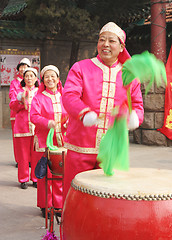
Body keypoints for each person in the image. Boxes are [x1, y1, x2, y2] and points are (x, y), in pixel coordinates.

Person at [62, 22, 144, 203]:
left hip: (112, 149)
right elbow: (69, 95)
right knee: (75, 196)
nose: (105, 44)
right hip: (80, 146)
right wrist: (83, 113)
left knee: (108, 198)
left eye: (111, 41)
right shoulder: (80, 68)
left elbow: (137, 104)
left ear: (122, 46)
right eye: (101, 40)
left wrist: (135, 118)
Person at [30, 65, 68, 218]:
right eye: (47, 77)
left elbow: (71, 113)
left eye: (53, 76)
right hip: (43, 141)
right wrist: (47, 123)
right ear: (43, 81)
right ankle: (46, 205)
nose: (50, 79)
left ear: (58, 79)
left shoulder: (64, 96)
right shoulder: (38, 98)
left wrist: (68, 123)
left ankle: (58, 205)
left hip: (62, 141)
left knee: (60, 173)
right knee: (45, 175)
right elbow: (33, 116)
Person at [9, 67, 39, 189]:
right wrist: (21, 101)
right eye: (27, 76)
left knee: (36, 155)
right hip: (22, 127)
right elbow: (12, 106)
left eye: (31, 75)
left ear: (36, 78)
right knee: (23, 156)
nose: (29, 78)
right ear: (23, 78)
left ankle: (36, 178)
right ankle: (23, 179)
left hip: (37, 128)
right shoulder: (18, 91)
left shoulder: (40, 92)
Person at [9, 58, 31, 167]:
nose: (23, 69)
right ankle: (19, 159)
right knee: (18, 139)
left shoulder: (32, 82)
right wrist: (21, 97)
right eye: (21, 66)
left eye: (25, 66)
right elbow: (11, 95)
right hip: (16, 114)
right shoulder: (15, 82)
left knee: (32, 138)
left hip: (31, 114)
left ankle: (30, 159)